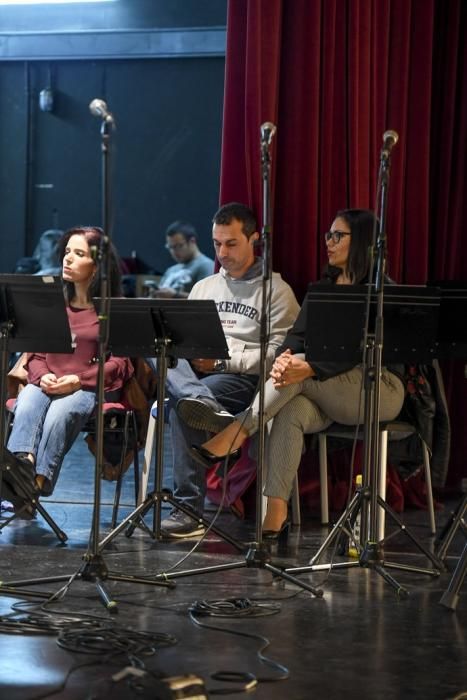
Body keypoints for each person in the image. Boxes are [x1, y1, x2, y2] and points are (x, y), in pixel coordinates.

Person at [189, 209, 406, 539]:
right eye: (327, 236)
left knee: (299, 372)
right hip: (322, 388)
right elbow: (295, 339)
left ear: (361, 241)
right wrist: (282, 360)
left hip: (378, 388)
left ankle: (239, 430)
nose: (329, 242)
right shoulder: (323, 288)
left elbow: (371, 349)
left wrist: (309, 367)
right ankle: (276, 510)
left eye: (338, 236)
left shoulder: (381, 291)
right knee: (291, 406)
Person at [151, 202, 300, 537]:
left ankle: (188, 510)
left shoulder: (277, 291)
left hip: (239, 380)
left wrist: (222, 361)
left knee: (180, 407)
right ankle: (203, 405)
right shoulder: (204, 287)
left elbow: (280, 355)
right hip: (196, 376)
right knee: (158, 350)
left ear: (254, 239)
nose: (222, 252)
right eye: (217, 243)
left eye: (231, 243)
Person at [5, 226, 134, 504]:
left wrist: (79, 380)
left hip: (87, 386)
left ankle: (35, 484)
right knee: (27, 399)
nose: (68, 259)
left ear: (97, 264)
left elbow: (120, 364)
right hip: (47, 381)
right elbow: (36, 356)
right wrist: (43, 377)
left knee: (60, 413)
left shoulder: (111, 309)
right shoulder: (54, 305)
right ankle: (20, 469)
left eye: (79, 254)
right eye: (66, 252)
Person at [151, 221, 215, 298]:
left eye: (178, 246)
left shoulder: (206, 266)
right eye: (170, 247)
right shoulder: (171, 270)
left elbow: (206, 300)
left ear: (192, 241)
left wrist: (176, 295)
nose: (174, 251)